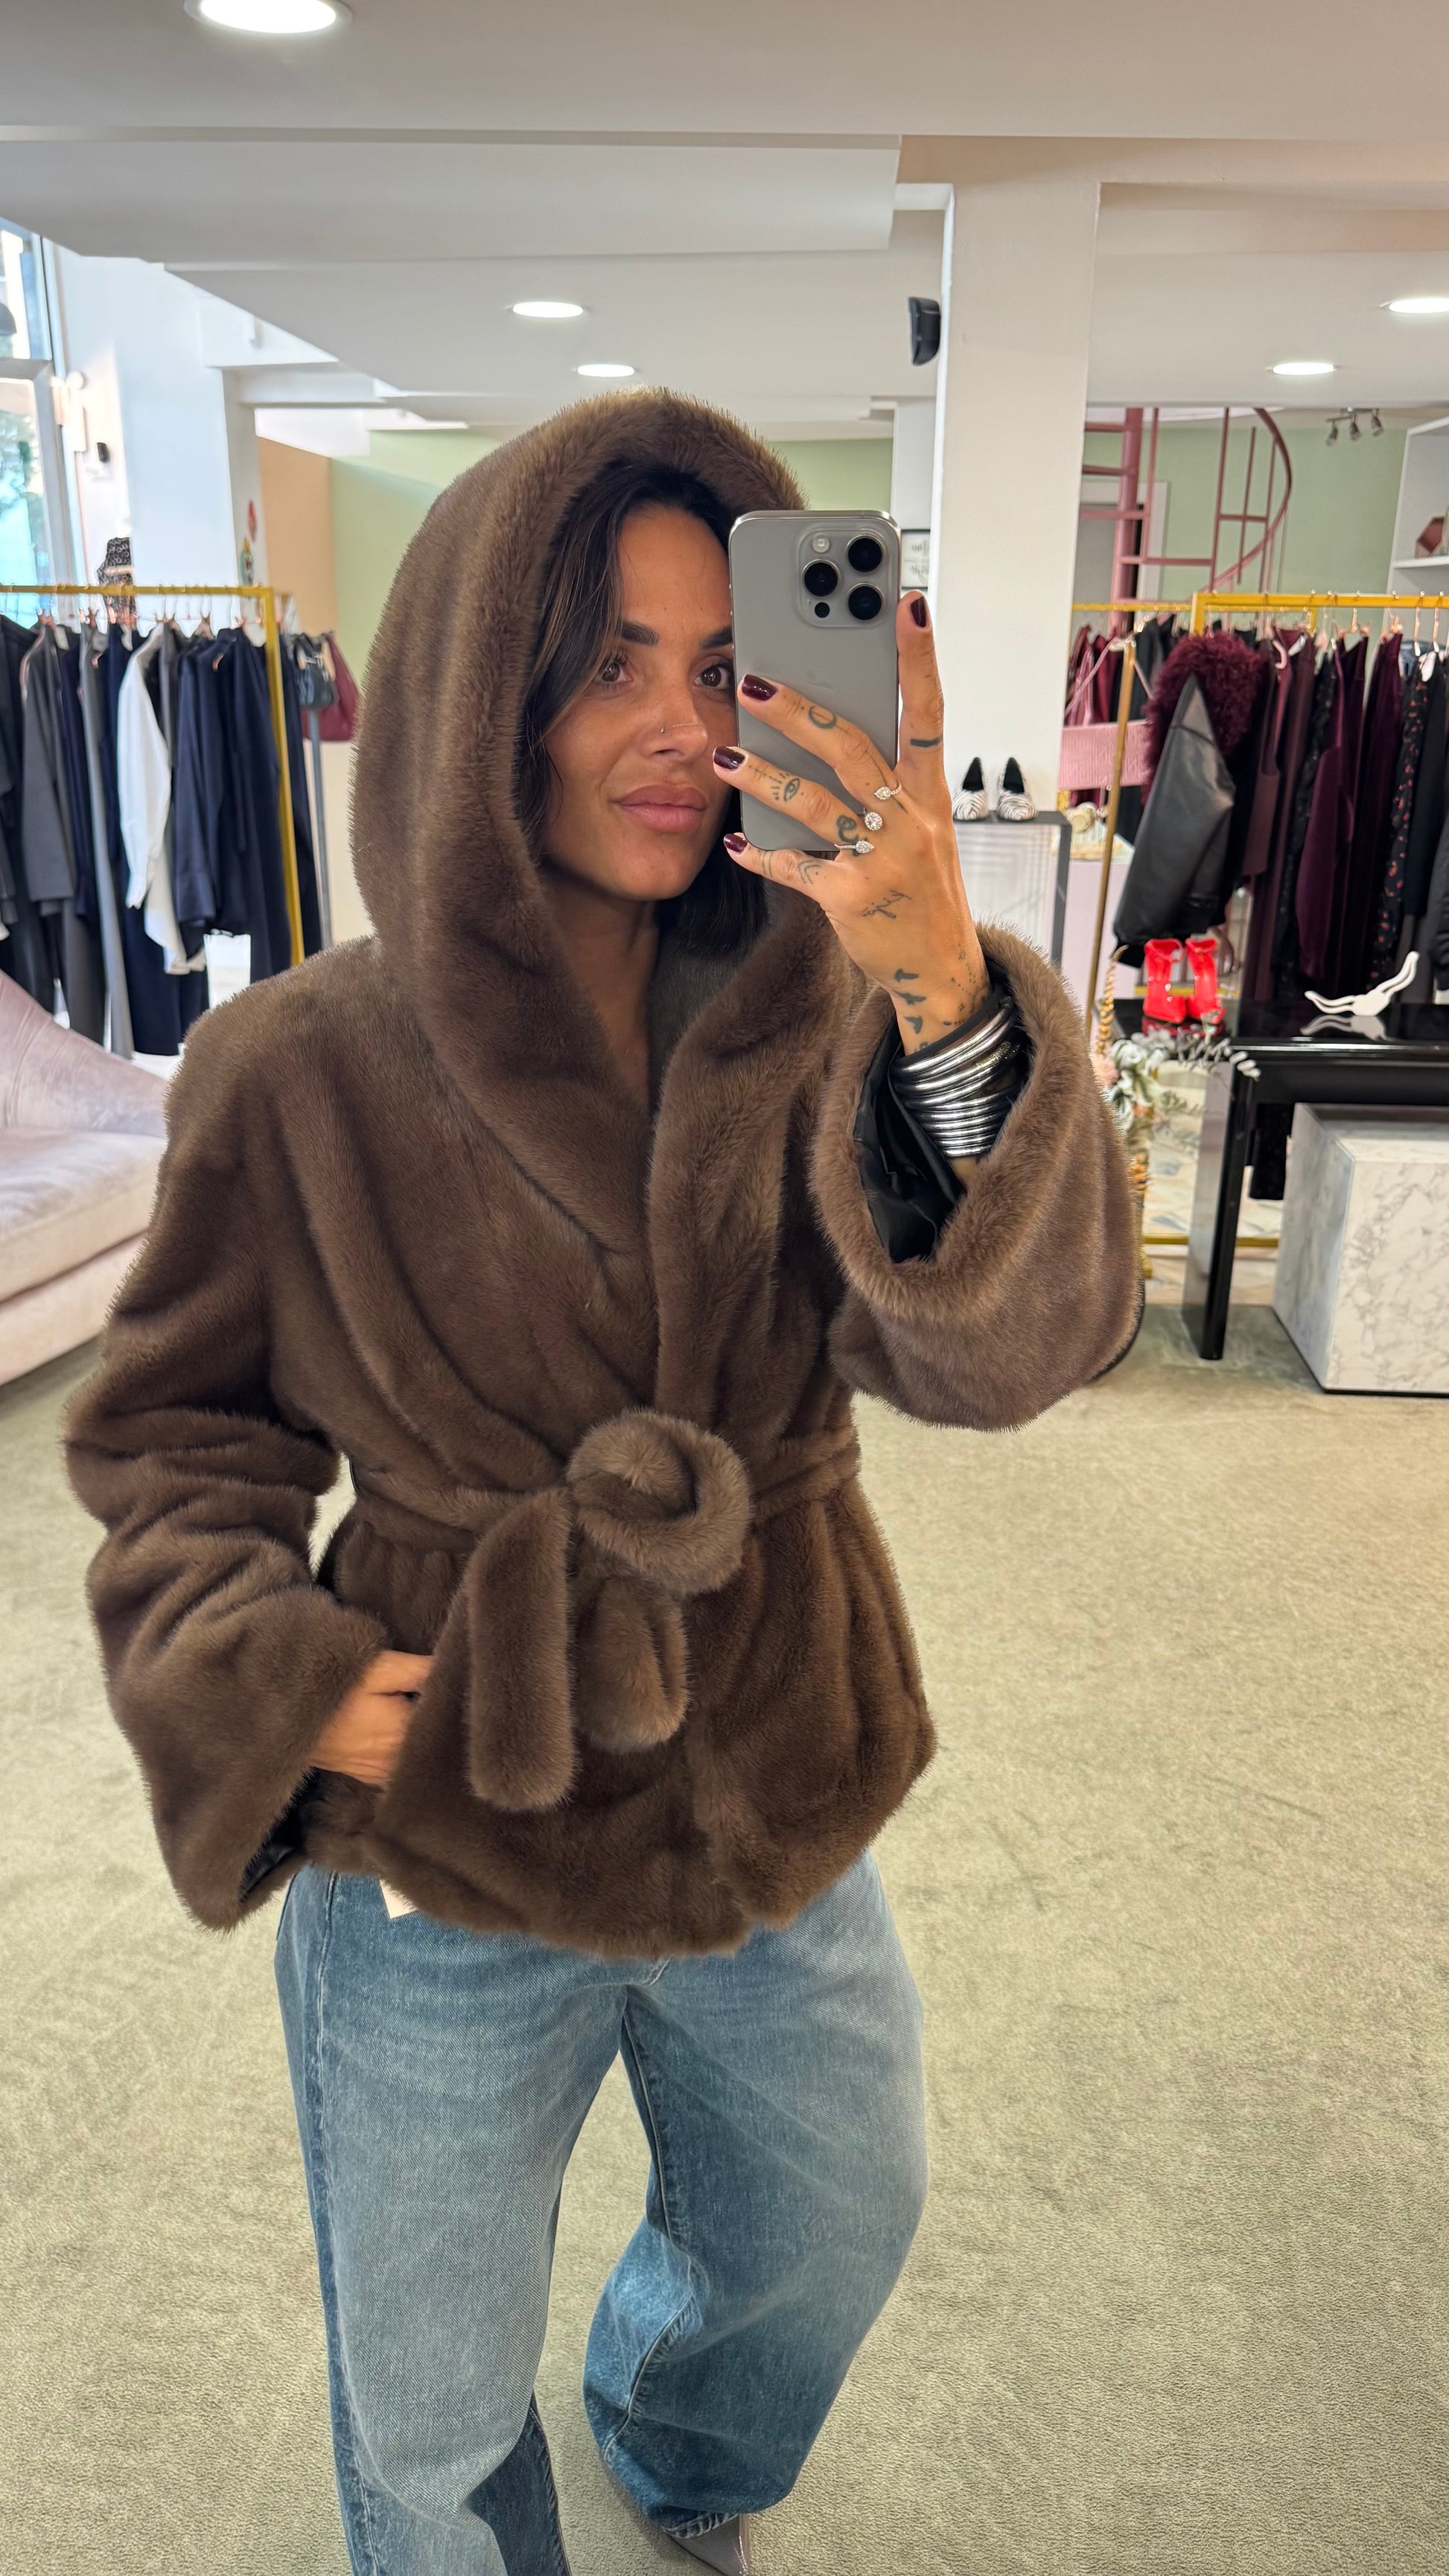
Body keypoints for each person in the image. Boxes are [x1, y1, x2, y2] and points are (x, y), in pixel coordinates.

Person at [67, 393, 1141, 2576]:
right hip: (461, 1805)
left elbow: (1003, 1357)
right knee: (426, 2402)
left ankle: (672, 2424)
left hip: (774, 1745)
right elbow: (173, 1439)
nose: (680, 728)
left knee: (834, 2218)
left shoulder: (825, 1015)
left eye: (726, 665)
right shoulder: (295, 1066)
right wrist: (291, 1691)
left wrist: (936, 968)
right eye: (607, 663)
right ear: (484, 690)